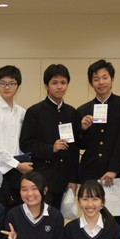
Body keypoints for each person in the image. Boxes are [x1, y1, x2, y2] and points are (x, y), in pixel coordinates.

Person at [78, 59, 120, 228]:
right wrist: (83, 129)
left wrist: (114, 169)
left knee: (114, 220)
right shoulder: (83, 110)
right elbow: (82, 145)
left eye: (105, 77)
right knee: (91, 218)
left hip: (117, 172)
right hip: (91, 171)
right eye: (96, 79)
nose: (101, 82)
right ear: (91, 83)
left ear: (112, 79)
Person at [19, 63, 79, 209]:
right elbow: (26, 144)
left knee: (59, 219)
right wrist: (51, 148)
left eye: (63, 82)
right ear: (46, 85)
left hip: (64, 179)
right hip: (42, 179)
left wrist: (73, 179)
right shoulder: (35, 112)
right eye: (54, 82)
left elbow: (75, 149)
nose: (59, 87)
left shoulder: (72, 112)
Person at [0, 65, 32, 209]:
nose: (7, 87)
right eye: (2, 83)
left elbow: (24, 143)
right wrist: (16, 164)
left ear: (18, 86)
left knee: (15, 214)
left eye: (11, 83)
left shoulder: (22, 112)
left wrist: (21, 165)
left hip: (17, 174)